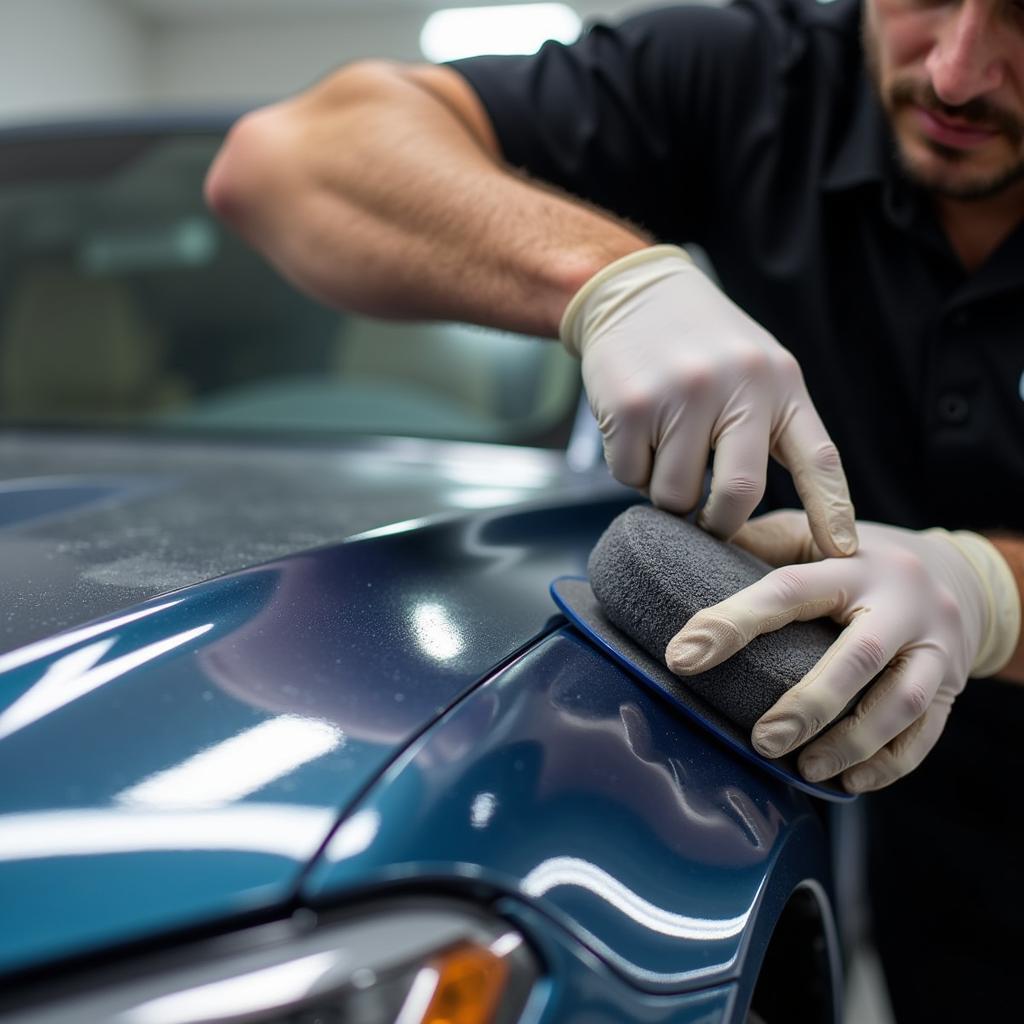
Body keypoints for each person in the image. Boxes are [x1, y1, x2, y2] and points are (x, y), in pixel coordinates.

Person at [204, 0, 1024, 1017]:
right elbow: (284, 160)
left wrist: (993, 591)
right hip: (935, 864)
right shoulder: (757, 78)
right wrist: (611, 280)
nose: (954, 72)